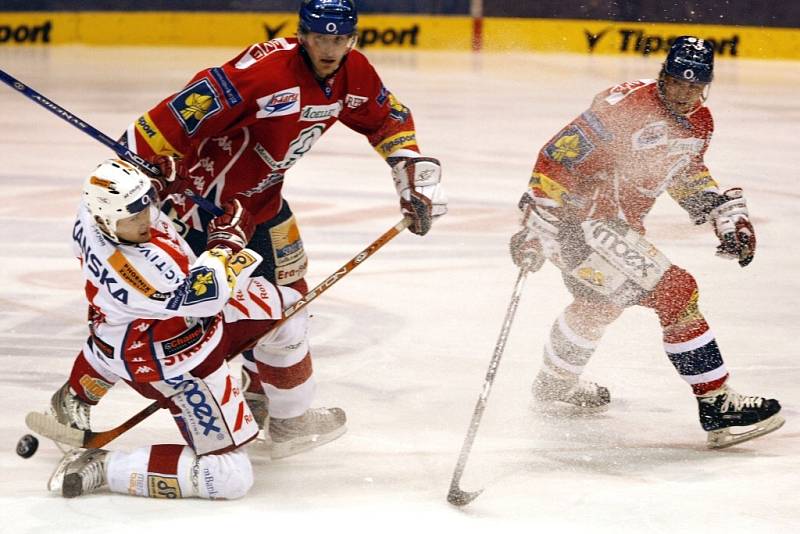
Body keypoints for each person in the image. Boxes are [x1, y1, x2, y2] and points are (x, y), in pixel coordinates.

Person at [45, 0, 446, 454]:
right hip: (204, 211)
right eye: (319, 38)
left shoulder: (355, 73)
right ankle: (78, 394)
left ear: (353, 38)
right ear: (301, 35)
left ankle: (269, 403)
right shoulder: (261, 73)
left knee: (289, 301)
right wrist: (145, 171)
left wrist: (408, 170)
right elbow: (164, 123)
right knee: (160, 313)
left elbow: (387, 118)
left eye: (340, 39)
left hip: (262, 202)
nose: (330, 49)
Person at [509, 36, 783, 448]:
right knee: (677, 291)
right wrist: (536, 222)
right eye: (676, 83)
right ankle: (716, 402)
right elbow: (557, 156)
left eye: (694, 87)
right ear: (662, 77)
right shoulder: (624, 109)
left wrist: (718, 213)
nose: (684, 94)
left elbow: (684, 171)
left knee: (599, 304)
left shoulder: (700, 122)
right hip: (582, 225)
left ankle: (554, 385)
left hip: (610, 228)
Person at [44, 158, 321, 498]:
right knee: (229, 478)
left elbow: (131, 193)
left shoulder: (91, 212)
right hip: (174, 357)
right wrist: (227, 242)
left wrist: (157, 182)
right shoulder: (136, 269)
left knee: (291, 310)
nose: (146, 219)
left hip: (161, 321)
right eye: (134, 217)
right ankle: (106, 467)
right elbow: (206, 296)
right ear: (108, 220)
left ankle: (287, 420)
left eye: (145, 206)